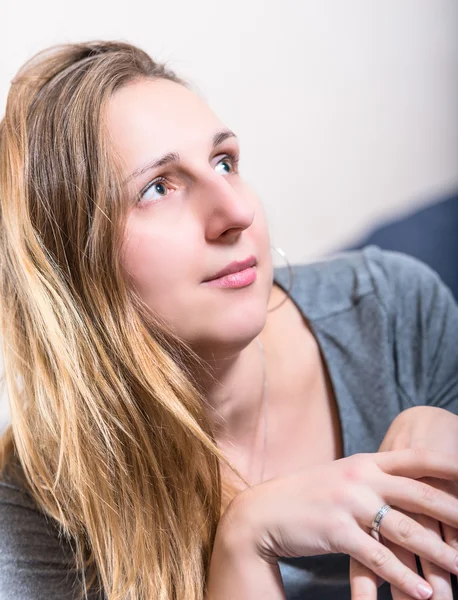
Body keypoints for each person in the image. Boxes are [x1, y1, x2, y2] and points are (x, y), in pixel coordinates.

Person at [1, 40, 458, 600]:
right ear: (67, 269)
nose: (237, 213)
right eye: (158, 188)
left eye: (226, 163)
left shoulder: (395, 316)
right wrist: (243, 543)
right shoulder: (34, 515)